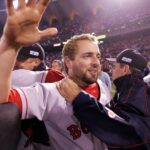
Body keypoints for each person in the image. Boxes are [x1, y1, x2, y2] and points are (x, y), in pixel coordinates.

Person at [0, 1, 110, 150]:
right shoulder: (50, 93)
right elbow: (3, 101)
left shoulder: (103, 86)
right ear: (69, 62)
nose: (96, 62)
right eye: (87, 56)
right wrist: (10, 46)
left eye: (98, 56)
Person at [57, 49, 150, 150]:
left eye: (114, 66)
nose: (111, 70)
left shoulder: (135, 92)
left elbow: (128, 132)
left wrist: (79, 98)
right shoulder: (132, 88)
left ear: (125, 69)